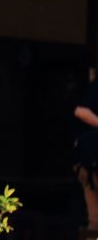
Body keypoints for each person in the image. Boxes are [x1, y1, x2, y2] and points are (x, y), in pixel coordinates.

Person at [75, 77, 98, 229]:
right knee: (95, 221)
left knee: (95, 221)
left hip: (88, 161)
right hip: (89, 163)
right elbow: (80, 111)